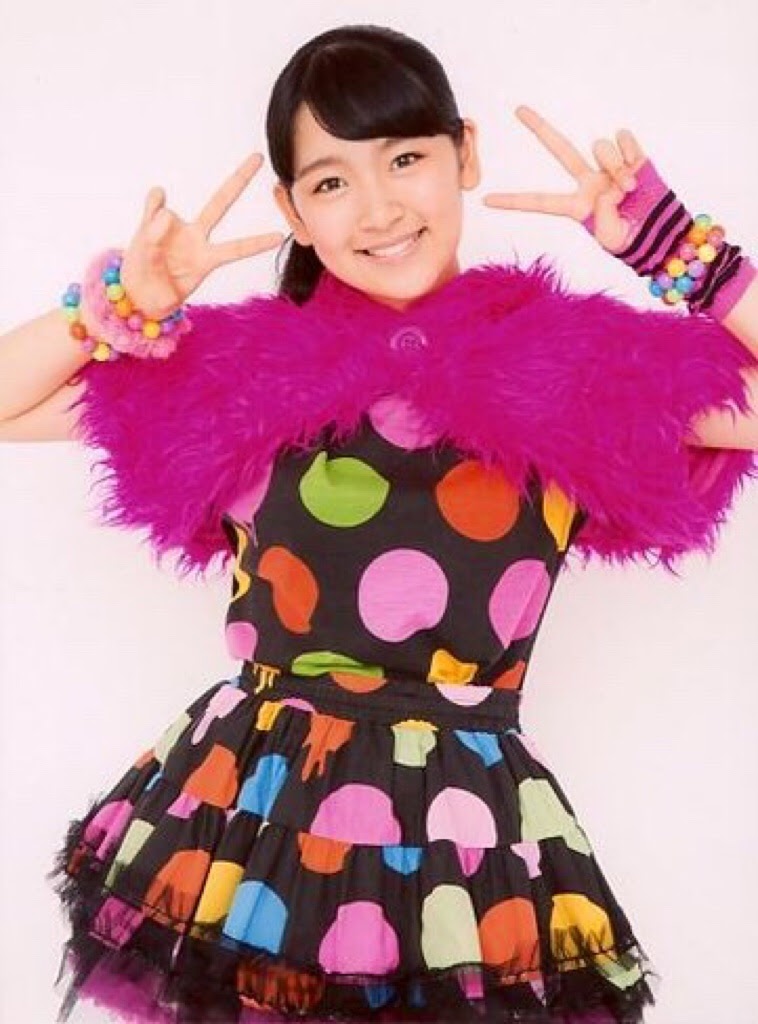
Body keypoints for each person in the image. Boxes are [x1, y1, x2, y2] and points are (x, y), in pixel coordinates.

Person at [1, 21, 757, 1024]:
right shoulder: (243, 375)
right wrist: (114, 310)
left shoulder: (572, 371)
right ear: (292, 210)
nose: (379, 207)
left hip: (460, 829)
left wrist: (684, 258)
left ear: (464, 154)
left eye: (405, 159)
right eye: (331, 180)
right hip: (256, 813)